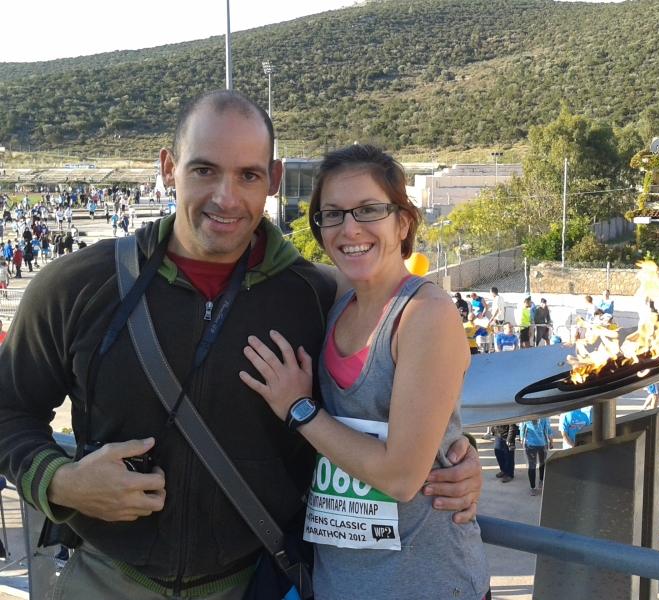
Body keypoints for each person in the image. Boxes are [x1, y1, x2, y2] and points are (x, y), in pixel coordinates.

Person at [0, 91, 480, 599]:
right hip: (106, 578)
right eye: (204, 170)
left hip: (253, 584)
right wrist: (58, 482)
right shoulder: (80, 284)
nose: (226, 198)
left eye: (248, 175)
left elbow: (382, 388)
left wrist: (451, 456)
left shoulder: (316, 296)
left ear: (272, 180)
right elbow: (9, 408)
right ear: (169, 168)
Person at [240, 144, 489, 598]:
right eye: (332, 214)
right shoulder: (337, 299)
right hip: (341, 582)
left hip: (425, 583)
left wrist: (300, 410)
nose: (349, 228)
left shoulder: (424, 314)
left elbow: (400, 477)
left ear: (403, 221)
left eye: (369, 209)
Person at [520, 418, 552, 496]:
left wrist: (522, 440)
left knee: (532, 466)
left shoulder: (526, 417)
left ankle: (533, 488)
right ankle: (541, 481)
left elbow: (522, 430)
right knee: (542, 463)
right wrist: (551, 441)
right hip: (543, 444)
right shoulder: (545, 417)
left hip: (530, 444)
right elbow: (548, 430)